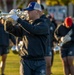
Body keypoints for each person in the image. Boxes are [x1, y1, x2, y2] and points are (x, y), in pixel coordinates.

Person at [5, 2, 49, 75]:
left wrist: (18, 19)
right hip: (26, 61)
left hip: (39, 61)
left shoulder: (43, 25)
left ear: (37, 12)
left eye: (30, 10)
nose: (27, 12)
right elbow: (10, 29)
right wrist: (9, 19)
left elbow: (33, 29)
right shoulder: (26, 24)